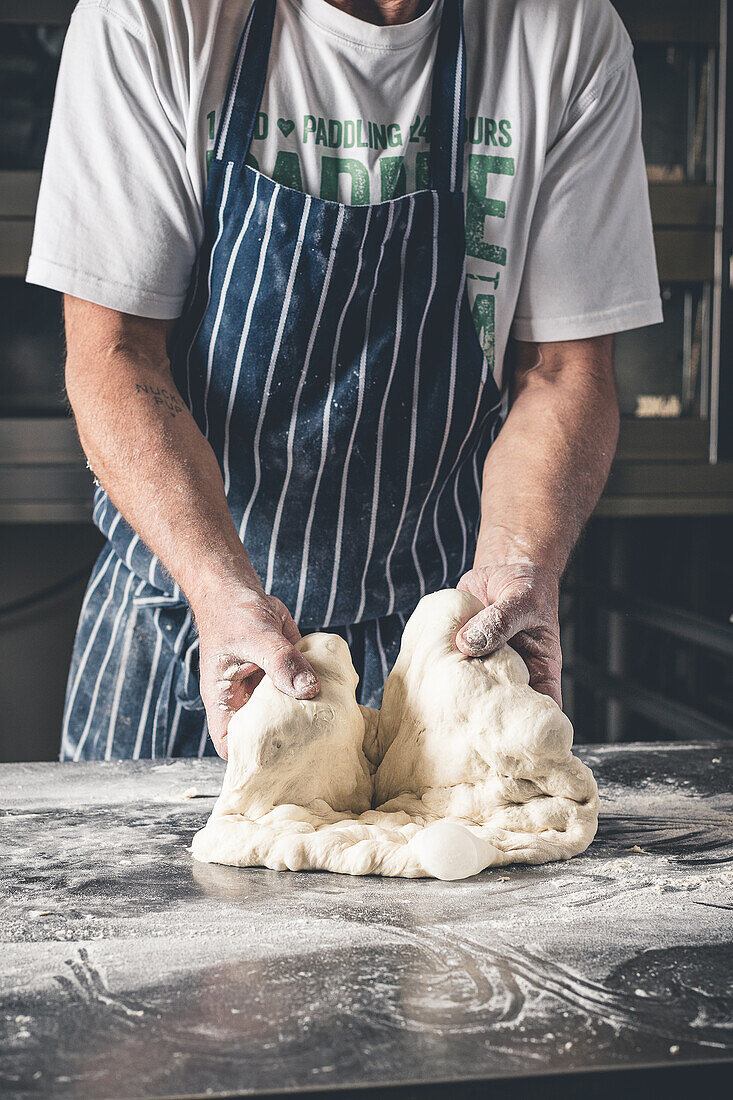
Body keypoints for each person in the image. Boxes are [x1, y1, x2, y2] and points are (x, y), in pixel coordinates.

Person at [27, 0, 662, 761]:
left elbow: (562, 369)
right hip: (184, 616)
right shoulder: (155, 17)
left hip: (435, 639)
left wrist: (515, 572)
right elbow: (115, 351)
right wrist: (219, 592)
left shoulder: (564, 31)